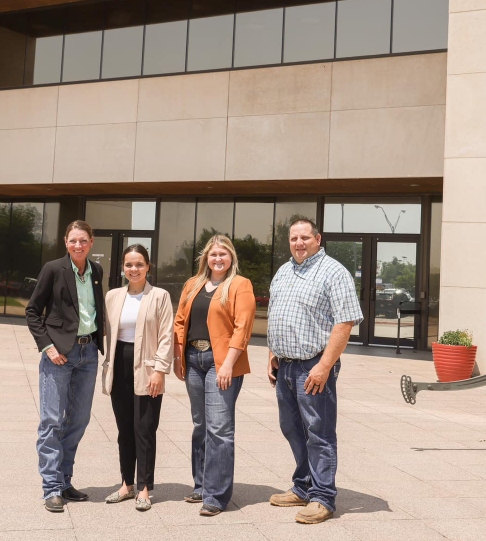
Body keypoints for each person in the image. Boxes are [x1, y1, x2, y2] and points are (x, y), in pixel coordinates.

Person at [266, 218, 363, 524]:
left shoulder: (334, 272)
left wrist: (324, 366)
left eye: (305, 237)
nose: (299, 243)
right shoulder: (284, 271)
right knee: (292, 428)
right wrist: (272, 354)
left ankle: (323, 497)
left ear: (318, 239)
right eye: (294, 238)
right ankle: (303, 485)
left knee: (319, 433)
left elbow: (345, 322)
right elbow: (276, 314)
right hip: (285, 365)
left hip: (314, 366)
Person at [173, 234, 256, 516]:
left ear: (231, 257)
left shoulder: (240, 285)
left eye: (223, 254)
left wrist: (228, 364)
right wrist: (178, 357)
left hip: (221, 362)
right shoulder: (192, 284)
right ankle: (201, 485)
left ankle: (216, 496)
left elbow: (243, 327)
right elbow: (180, 322)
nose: (218, 259)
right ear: (205, 258)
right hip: (193, 359)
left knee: (219, 428)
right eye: (213, 254)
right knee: (201, 425)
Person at [25, 220, 104, 513]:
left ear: (91, 242)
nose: (78, 245)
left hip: (88, 352)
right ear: (65, 242)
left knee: (78, 420)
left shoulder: (96, 271)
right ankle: (51, 488)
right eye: (73, 241)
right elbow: (32, 311)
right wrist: (48, 346)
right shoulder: (53, 269)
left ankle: (64, 480)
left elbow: (95, 310)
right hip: (58, 354)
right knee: (52, 421)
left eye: (83, 240)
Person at [101, 244, 174, 512]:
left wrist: (159, 370)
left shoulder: (160, 296)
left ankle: (144, 487)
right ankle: (126, 484)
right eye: (129, 265)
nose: (134, 269)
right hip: (119, 364)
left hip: (147, 367)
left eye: (139, 264)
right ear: (123, 268)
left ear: (148, 267)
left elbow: (167, 335)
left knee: (144, 429)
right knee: (124, 430)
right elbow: (103, 329)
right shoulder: (113, 296)